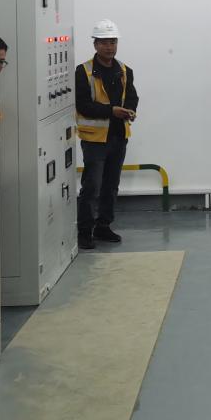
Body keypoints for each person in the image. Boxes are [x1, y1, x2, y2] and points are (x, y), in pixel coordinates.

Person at [75, 19, 137, 249]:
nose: (109, 47)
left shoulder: (124, 71)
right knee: (92, 186)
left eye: (113, 42)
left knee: (111, 185)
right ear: (95, 45)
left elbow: (132, 97)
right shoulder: (83, 72)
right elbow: (83, 105)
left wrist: (130, 111)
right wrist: (112, 111)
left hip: (118, 137)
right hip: (95, 140)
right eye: (104, 42)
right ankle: (84, 231)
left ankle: (103, 226)